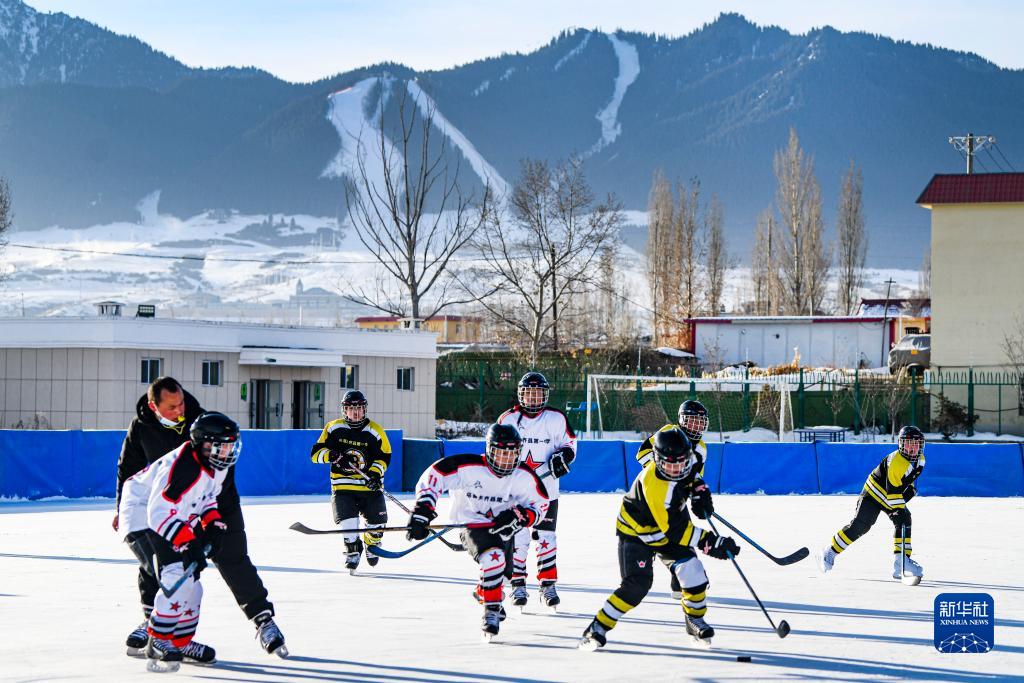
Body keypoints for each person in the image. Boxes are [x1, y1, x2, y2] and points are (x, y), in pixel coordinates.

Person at [115, 377, 286, 659]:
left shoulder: (205, 425)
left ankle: (263, 619)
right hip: (161, 507)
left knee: (232, 557)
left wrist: (213, 521)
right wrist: (120, 507)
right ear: (154, 406)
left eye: (181, 403)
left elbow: (217, 476)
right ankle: (156, 626)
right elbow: (130, 470)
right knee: (162, 566)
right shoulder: (143, 427)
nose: (179, 410)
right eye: (171, 407)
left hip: (213, 503)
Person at [579, 427, 739, 650]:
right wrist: (711, 542)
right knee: (637, 585)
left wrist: (699, 490)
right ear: (657, 459)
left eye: (681, 463)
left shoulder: (690, 459)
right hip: (637, 533)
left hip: (667, 527)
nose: (676, 469)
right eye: (669, 464)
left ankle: (694, 620)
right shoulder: (656, 486)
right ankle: (598, 626)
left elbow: (693, 476)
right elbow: (677, 532)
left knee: (693, 572)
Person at [117, 412, 240, 671]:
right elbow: (157, 513)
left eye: (231, 446)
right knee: (177, 576)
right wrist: (189, 543)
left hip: (170, 514)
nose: (228, 452)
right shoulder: (183, 469)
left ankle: (180, 643)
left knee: (193, 586)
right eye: (222, 446)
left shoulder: (216, 465)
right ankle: (158, 639)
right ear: (204, 444)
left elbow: (207, 497)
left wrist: (213, 523)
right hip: (141, 515)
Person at [407, 423, 549, 642]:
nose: (506, 460)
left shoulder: (524, 476)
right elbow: (434, 475)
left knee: (505, 575)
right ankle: (491, 612)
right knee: (494, 559)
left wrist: (521, 516)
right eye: (501, 453)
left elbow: (541, 505)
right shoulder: (468, 467)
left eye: (512, 454)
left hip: (503, 530)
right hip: (472, 525)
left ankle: (484, 592)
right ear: (489, 450)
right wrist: (423, 509)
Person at [496, 371, 576, 610]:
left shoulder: (556, 418)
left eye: (538, 393)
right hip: (516, 493)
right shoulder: (508, 419)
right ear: (521, 394)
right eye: (529, 393)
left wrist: (564, 456)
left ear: (545, 395)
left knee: (546, 537)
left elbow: (570, 444)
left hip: (547, 491)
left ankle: (548, 585)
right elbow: (495, 449)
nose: (533, 398)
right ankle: (518, 584)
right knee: (518, 537)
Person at [818, 425, 926, 583]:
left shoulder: (920, 461)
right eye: (909, 443)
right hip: (873, 493)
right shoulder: (897, 462)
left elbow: (906, 483)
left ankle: (901, 561)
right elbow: (893, 493)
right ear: (901, 444)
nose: (913, 448)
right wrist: (899, 507)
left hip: (889, 495)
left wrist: (907, 495)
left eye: (916, 444)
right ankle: (829, 552)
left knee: (904, 520)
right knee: (860, 526)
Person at [310, 389, 392, 573]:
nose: (356, 412)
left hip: (370, 488)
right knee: (348, 522)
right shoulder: (333, 428)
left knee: (377, 525)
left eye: (359, 408)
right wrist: (332, 455)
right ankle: (353, 550)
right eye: (351, 408)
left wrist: (374, 474)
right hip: (343, 486)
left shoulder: (375, 431)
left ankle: (372, 544)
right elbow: (315, 454)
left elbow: (384, 457)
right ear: (344, 410)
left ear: (365, 409)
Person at [635, 399, 710, 600]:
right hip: (652, 495)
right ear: (682, 420)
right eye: (692, 421)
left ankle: (681, 584)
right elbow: (642, 455)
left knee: (683, 539)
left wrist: (698, 494)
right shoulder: (668, 432)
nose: (696, 426)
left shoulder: (701, 449)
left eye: (700, 422)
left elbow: (695, 477)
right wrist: (666, 472)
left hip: (676, 499)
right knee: (647, 538)